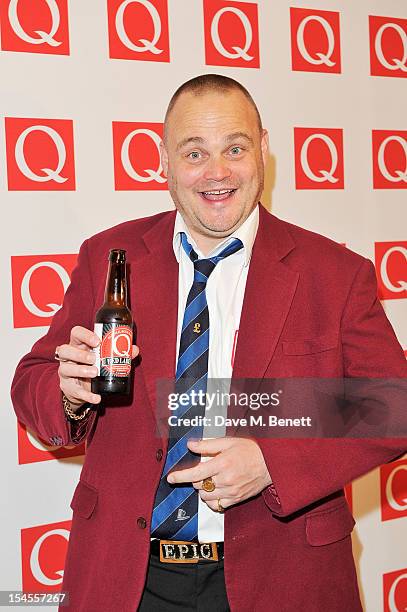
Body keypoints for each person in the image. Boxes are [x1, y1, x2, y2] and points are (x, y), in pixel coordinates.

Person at [11, 74, 406, 612]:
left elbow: (392, 406)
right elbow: (33, 380)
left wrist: (274, 460)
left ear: (262, 149)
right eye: (194, 152)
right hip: (127, 578)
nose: (217, 173)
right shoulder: (110, 257)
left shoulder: (335, 274)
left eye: (235, 149)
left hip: (287, 578)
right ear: (164, 160)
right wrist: (68, 390)